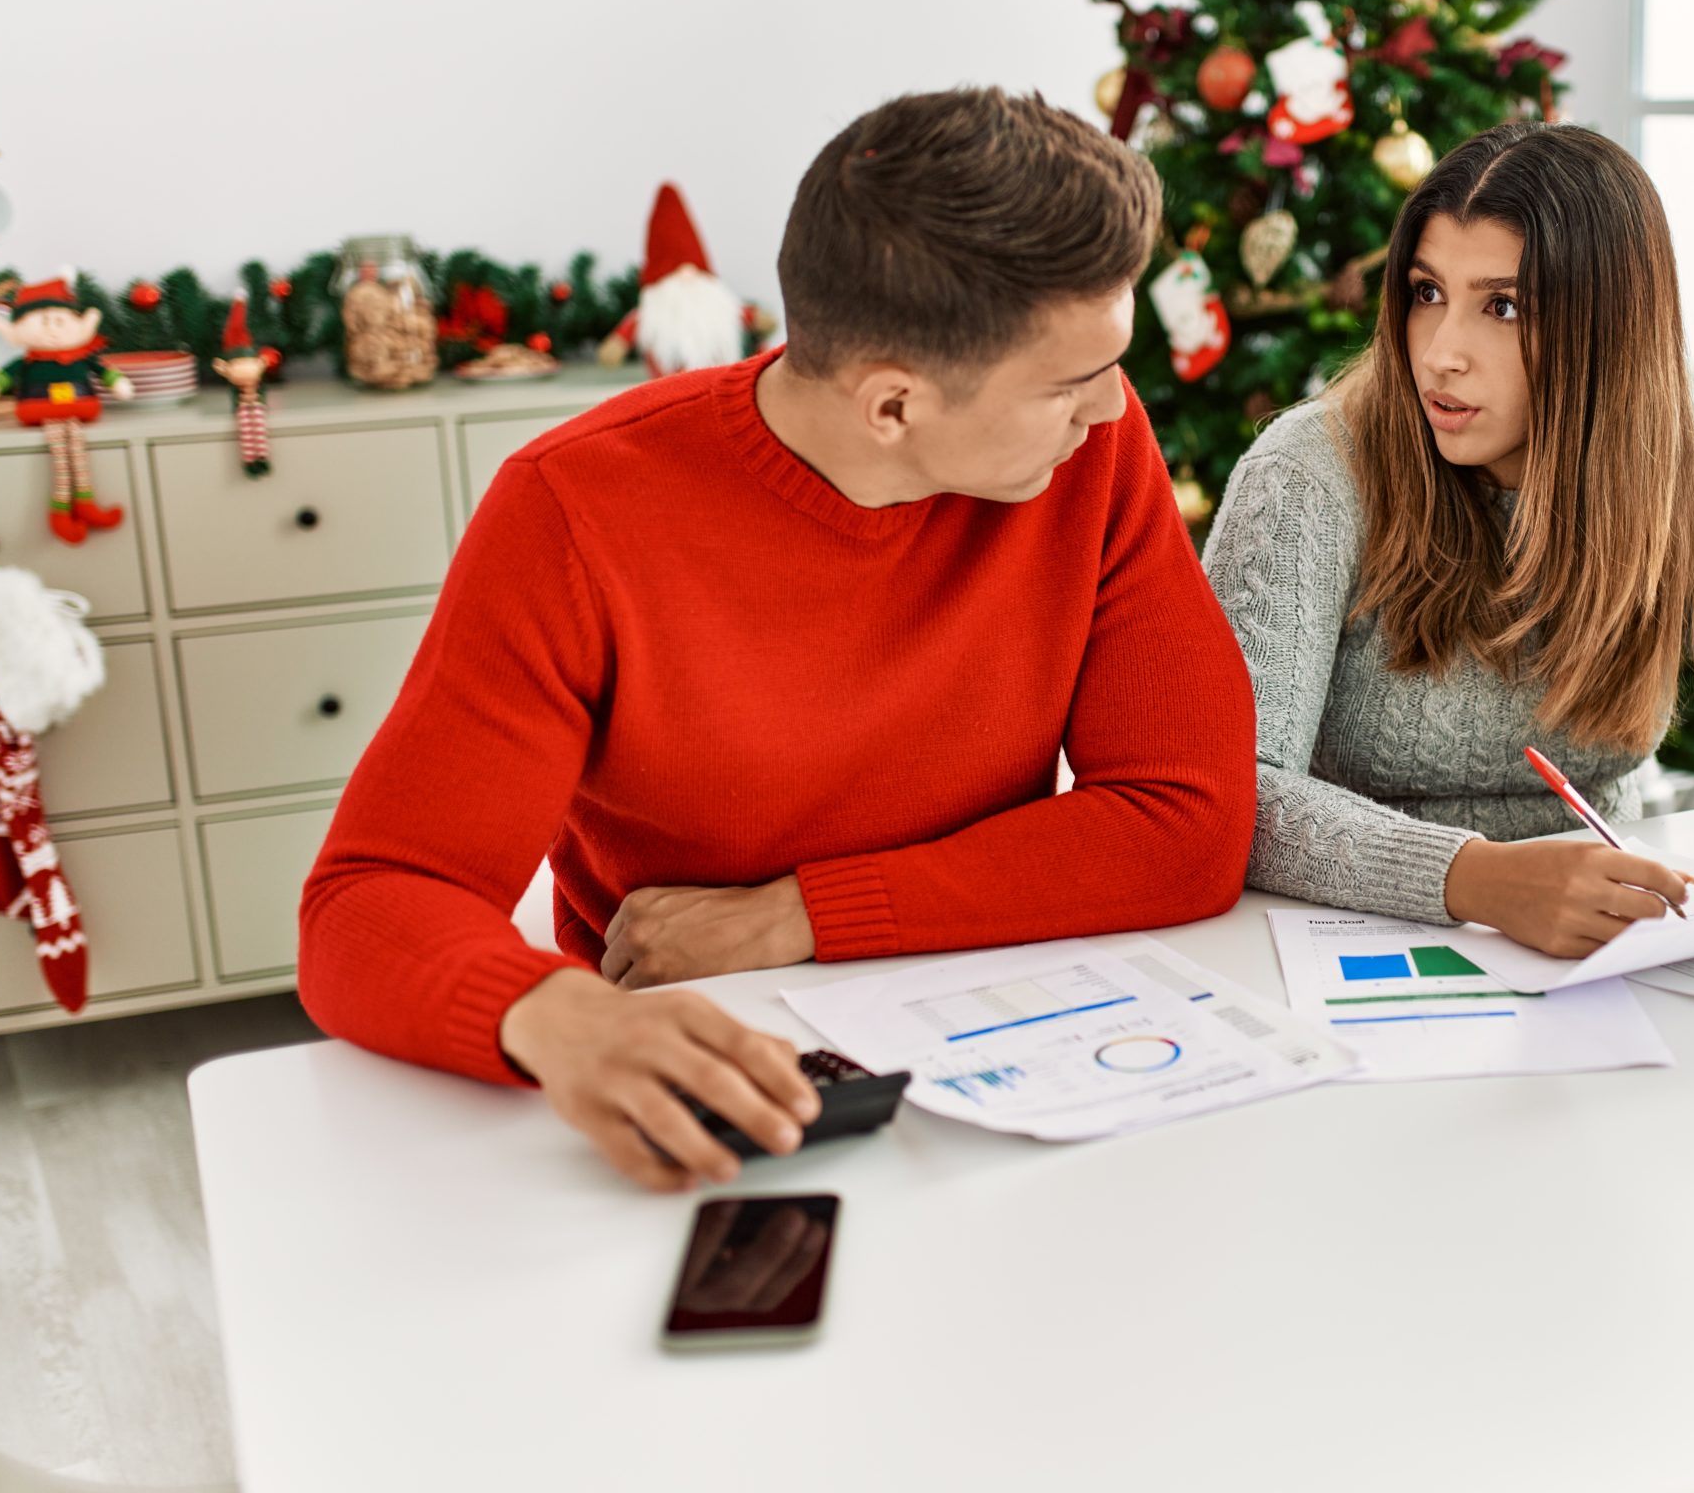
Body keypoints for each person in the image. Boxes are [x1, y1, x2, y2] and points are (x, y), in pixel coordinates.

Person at [300, 89, 1255, 1190]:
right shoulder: (573, 510)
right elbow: (367, 903)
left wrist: (800, 914)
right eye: (1068, 384)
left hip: (1009, 1035)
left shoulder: (1089, 446)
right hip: (711, 1058)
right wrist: (552, 1015)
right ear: (890, 407)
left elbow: (1187, 822)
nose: (1109, 408)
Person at [1202, 121, 1694, 961]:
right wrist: (1479, 880)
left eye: (1501, 307)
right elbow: (1232, 790)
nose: (1441, 354)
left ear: (1607, 328)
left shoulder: (1688, 465)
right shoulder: (1307, 472)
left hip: (1611, 949)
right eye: (1428, 293)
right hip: (1339, 944)